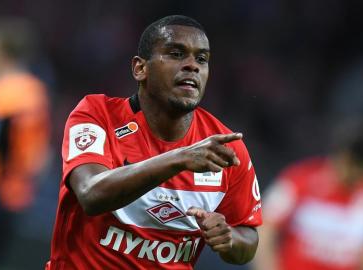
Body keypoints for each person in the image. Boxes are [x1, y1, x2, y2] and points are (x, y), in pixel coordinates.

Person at [46, 15, 262, 269]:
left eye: (201, 59)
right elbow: (91, 194)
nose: (192, 65)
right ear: (140, 69)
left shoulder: (224, 147)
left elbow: (248, 240)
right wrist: (180, 158)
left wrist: (229, 237)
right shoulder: (97, 114)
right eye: (176, 54)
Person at [252, 122, 363, 270]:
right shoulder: (299, 179)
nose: (360, 177)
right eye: (357, 168)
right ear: (342, 158)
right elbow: (264, 228)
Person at [0, 18, 50, 266]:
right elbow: (40, 155)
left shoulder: (6, 95)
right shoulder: (35, 92)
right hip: (19, 191)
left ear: (2, 52)